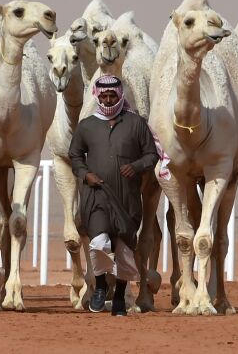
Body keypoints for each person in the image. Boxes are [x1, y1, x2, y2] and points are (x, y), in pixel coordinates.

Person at [68, 75, 159, 316]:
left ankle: (119, 295)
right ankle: (99, 286)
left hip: (128, 198)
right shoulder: (87, 125)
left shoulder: (136, 123)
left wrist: (137, 167)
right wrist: (85, 175)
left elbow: (152, 155)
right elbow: (75, 155)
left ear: (120, 96)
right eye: (104, 95)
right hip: (96, 195)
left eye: (113, 95)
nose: (108, 99)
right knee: (98, 243)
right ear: (97, 96)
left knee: (124, 251)